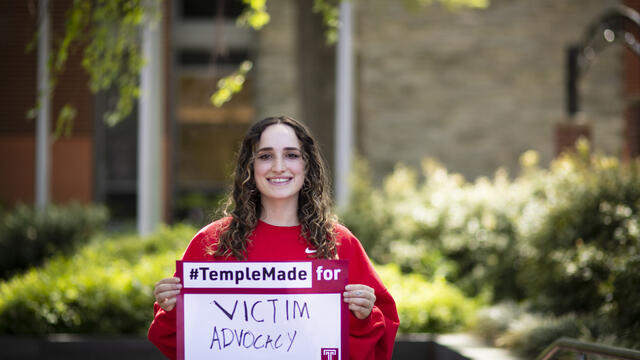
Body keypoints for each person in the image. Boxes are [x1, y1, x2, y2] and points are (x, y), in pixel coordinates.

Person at [148, 116, 399, 360]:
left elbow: (377, 342)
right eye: (266, 156)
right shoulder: (213, 241)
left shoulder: (338, 242)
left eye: (291, 155)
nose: (279, 166)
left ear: (306, 165)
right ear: (250, 167)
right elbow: (180, 344)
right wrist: (170, 308)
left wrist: (364, 316)